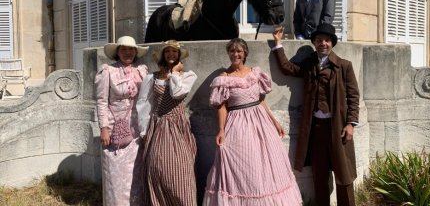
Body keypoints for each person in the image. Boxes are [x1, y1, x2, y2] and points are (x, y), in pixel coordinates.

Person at [203, 38, 302, 205]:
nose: (235, 54)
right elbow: (221, 107)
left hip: (261, 124)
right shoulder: (224, 78)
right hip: (237, 125)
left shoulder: (255, 73)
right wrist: (221, 130)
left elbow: (261, 100)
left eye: (239, 51)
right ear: (228, 53)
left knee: (267, 167)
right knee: (245, 168)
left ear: (245, 53)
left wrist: (275, 122)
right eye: (232, 51)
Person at [271, 24, 359, 206]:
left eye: (327, 40)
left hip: (338, 129)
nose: (323, 44)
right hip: (316, 129)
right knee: (319, 174)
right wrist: (278, 44)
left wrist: (351, 123)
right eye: (319, 40)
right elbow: (289, 69)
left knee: (344, 174)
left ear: (332, 43)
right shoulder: (310, 64)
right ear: (314, 43)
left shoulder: (344, 66)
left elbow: (353, 96)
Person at [136, 40, 198, 206]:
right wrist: (144, 131)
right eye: (168, 52)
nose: (171, 55)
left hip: (178, 128)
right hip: (158, 127)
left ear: (179, 55)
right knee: (157, 169)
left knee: (181, 171)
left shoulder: (187, 76)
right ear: (163, 55)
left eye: (175, 52)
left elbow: (177, 93)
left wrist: (174, 75)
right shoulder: (152, 77)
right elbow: (144, 104)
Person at [95, 36, 149, 205]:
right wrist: (104, 127)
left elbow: (147, 99)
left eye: (131, 50)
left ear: (136, 52)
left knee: (135, 172)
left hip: (136, 130)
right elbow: (101, 101)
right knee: (115, 173)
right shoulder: (107, 71)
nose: (128, 53)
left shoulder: (141, 71)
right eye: (124, 49)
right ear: (117, 52)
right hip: (114, 129)